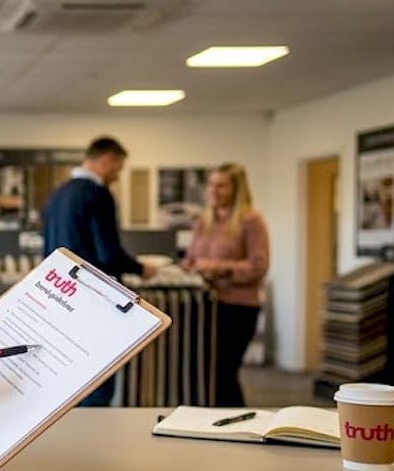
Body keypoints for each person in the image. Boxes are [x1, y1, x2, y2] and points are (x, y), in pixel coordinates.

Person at [41, 135, 156, 406]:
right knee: (98, 374)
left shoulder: (57, 194)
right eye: (118, 168)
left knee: (70, 366)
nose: (117, 175)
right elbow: (108, 252)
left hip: (61, 292)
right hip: (95, 296)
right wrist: (140, 268)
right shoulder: (97, 194)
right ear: (107, 160)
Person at [181, 162, 270, 407]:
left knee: (224, 374)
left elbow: (258, 266)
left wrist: (216, 268)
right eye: (211, 185)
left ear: (236, 188)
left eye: (221, 186)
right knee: (205, 373)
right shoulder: (203, 221)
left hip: (238, 309)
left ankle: (235, 426)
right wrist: (189, 266)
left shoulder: (251, 220)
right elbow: (190, 258)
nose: (213, 191)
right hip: (206, 307)